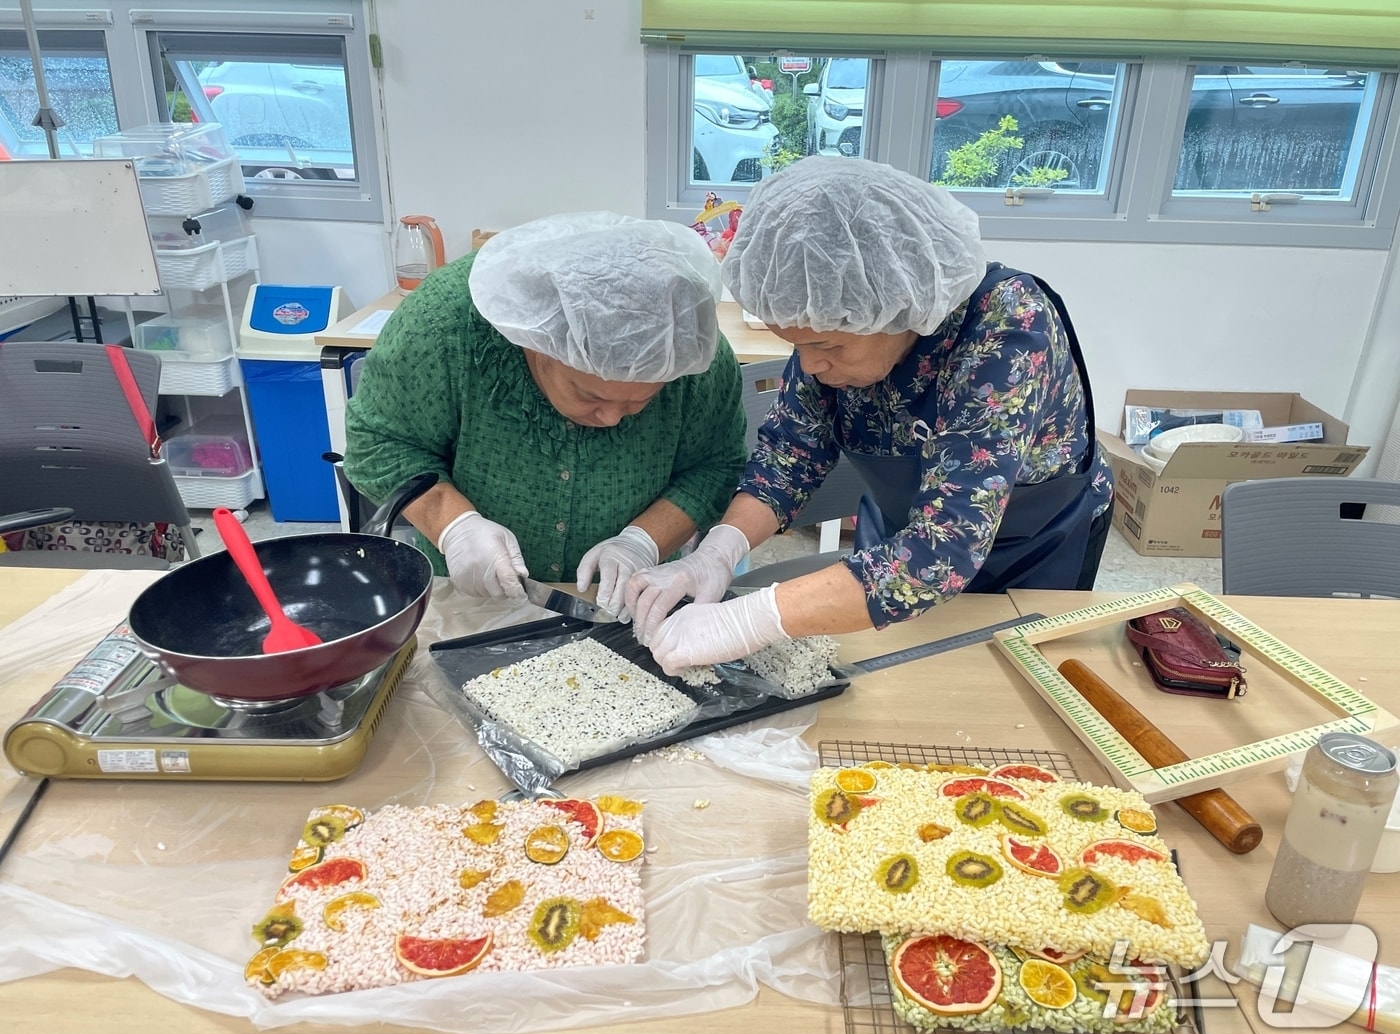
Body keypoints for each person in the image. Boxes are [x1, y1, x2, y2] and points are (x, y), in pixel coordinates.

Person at [623, 157, 1114, 674]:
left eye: (826, 344)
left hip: (1032, 549)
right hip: (903, 538)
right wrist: (717, 552)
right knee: (898, 681)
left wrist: (749, 619)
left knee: (1000, 694)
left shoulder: (1007, 326)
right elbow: (789, 457)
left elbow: (940, 548)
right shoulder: (833, 322)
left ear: (898, 305)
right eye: (795, 345)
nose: (810, 365)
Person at [344, 211, 748, 629]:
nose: (611, 419)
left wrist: (643, 541)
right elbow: (381, 443)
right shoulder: (446, 325)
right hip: (471, 601)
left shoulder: (687, 346)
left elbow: (714, 466)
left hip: (626, 605)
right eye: (590, 395)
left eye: (638, 403)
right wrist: (455, 526)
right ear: (535, 344)